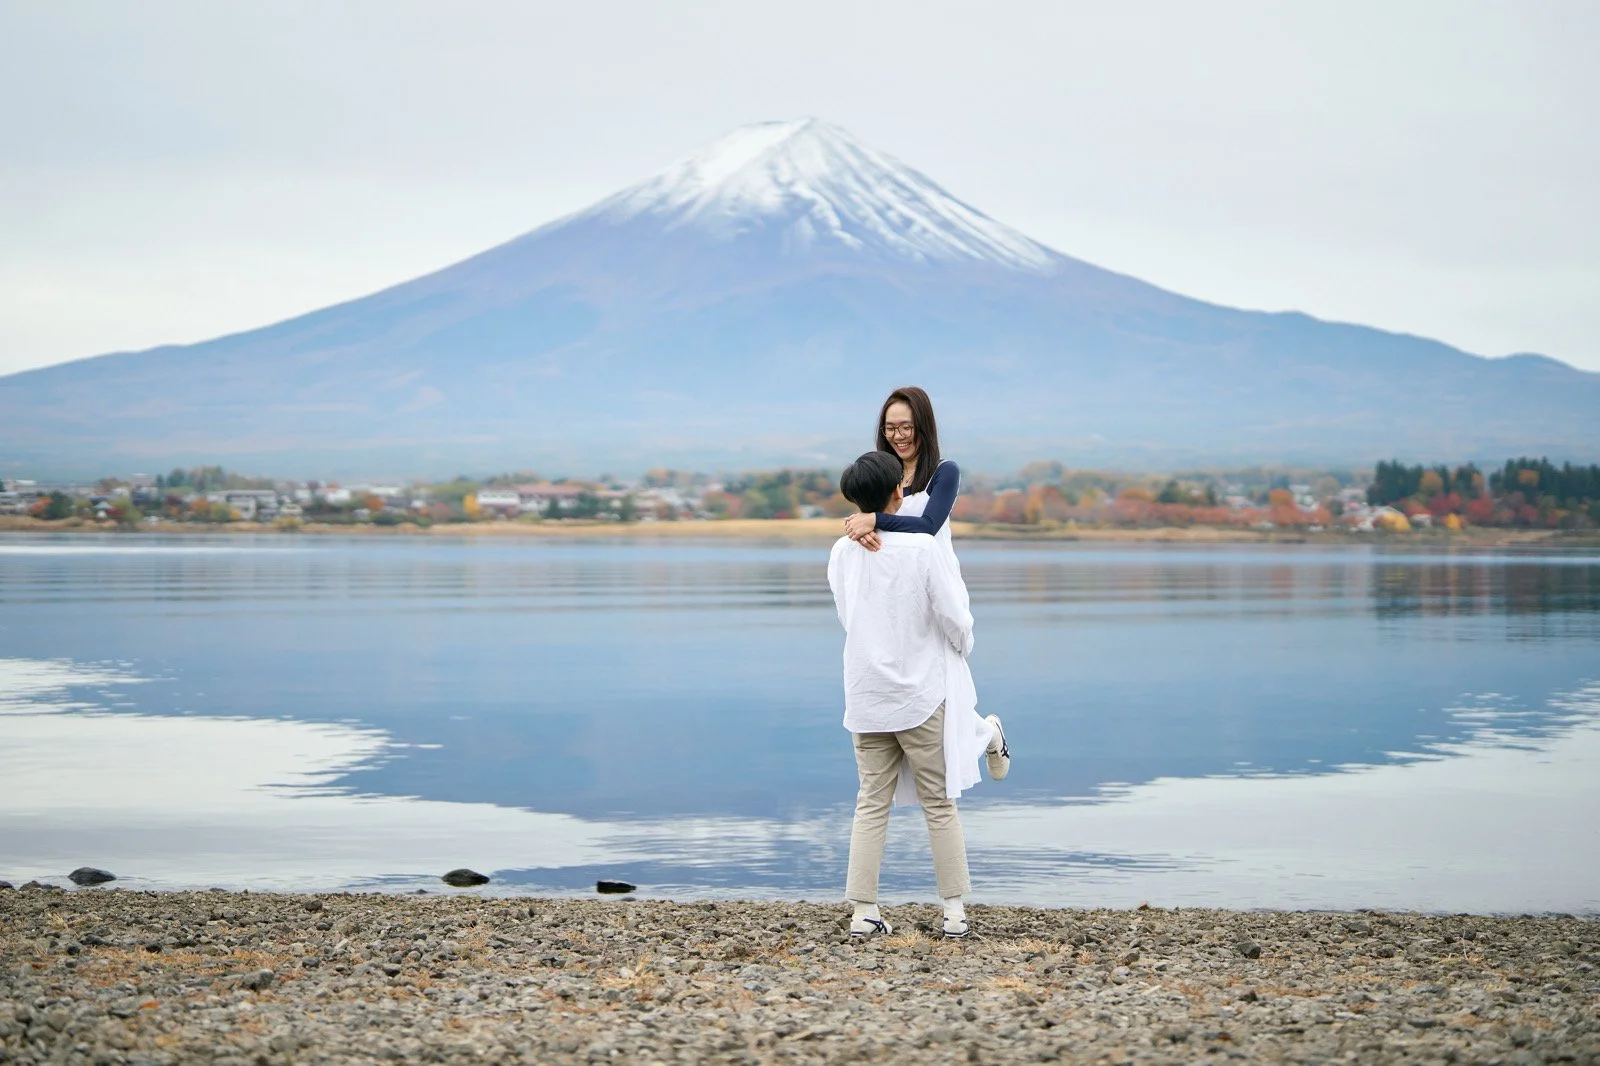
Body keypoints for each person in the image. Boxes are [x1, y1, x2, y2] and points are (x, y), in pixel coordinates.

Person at [827, 450, 990, 940]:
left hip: (866, 693)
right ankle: (954, 913)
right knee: (938, 803)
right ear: (898, 492)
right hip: (920, 693)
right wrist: (963, 647)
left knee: (871, 801)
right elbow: (954, 617)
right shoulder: (922, 549)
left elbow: (847, 616)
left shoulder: (841, 551)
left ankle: (863, 913)